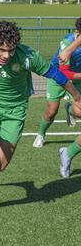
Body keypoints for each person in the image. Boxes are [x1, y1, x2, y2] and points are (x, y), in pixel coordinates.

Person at [0, 20, 81, 220]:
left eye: (11, 50)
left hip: (15, 111)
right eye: (1, 50)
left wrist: (77, 96)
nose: (6, 56)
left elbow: (55, 74)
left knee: (0, 166)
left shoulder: (28, 56)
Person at [34, 17, 81, 148]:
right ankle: (41, 134)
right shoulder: (67, 43)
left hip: (77, 79)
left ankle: (70, 110)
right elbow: (64, 74)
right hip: (58, 77)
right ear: (78, 32)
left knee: (79, 111)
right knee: (51, 111)